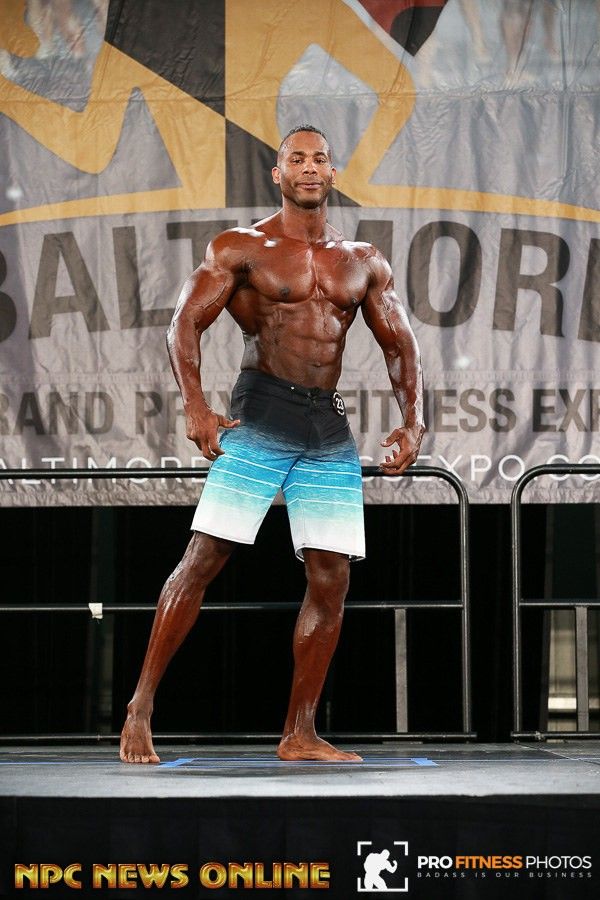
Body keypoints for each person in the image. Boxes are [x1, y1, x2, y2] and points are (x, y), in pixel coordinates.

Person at [119, 124, 424, 764]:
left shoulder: (362, 260)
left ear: (332, 173)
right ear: (278, 174)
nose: (309, 167)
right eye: (296, 159)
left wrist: (412, 420)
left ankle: (299, 732)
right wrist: (196, 405)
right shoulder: (241, 247)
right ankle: (140, 706)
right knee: (204, 558)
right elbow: (184, 321)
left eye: (320, 158)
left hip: (325, 424)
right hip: (260, 412)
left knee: (331, 577)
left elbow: (400, 344)